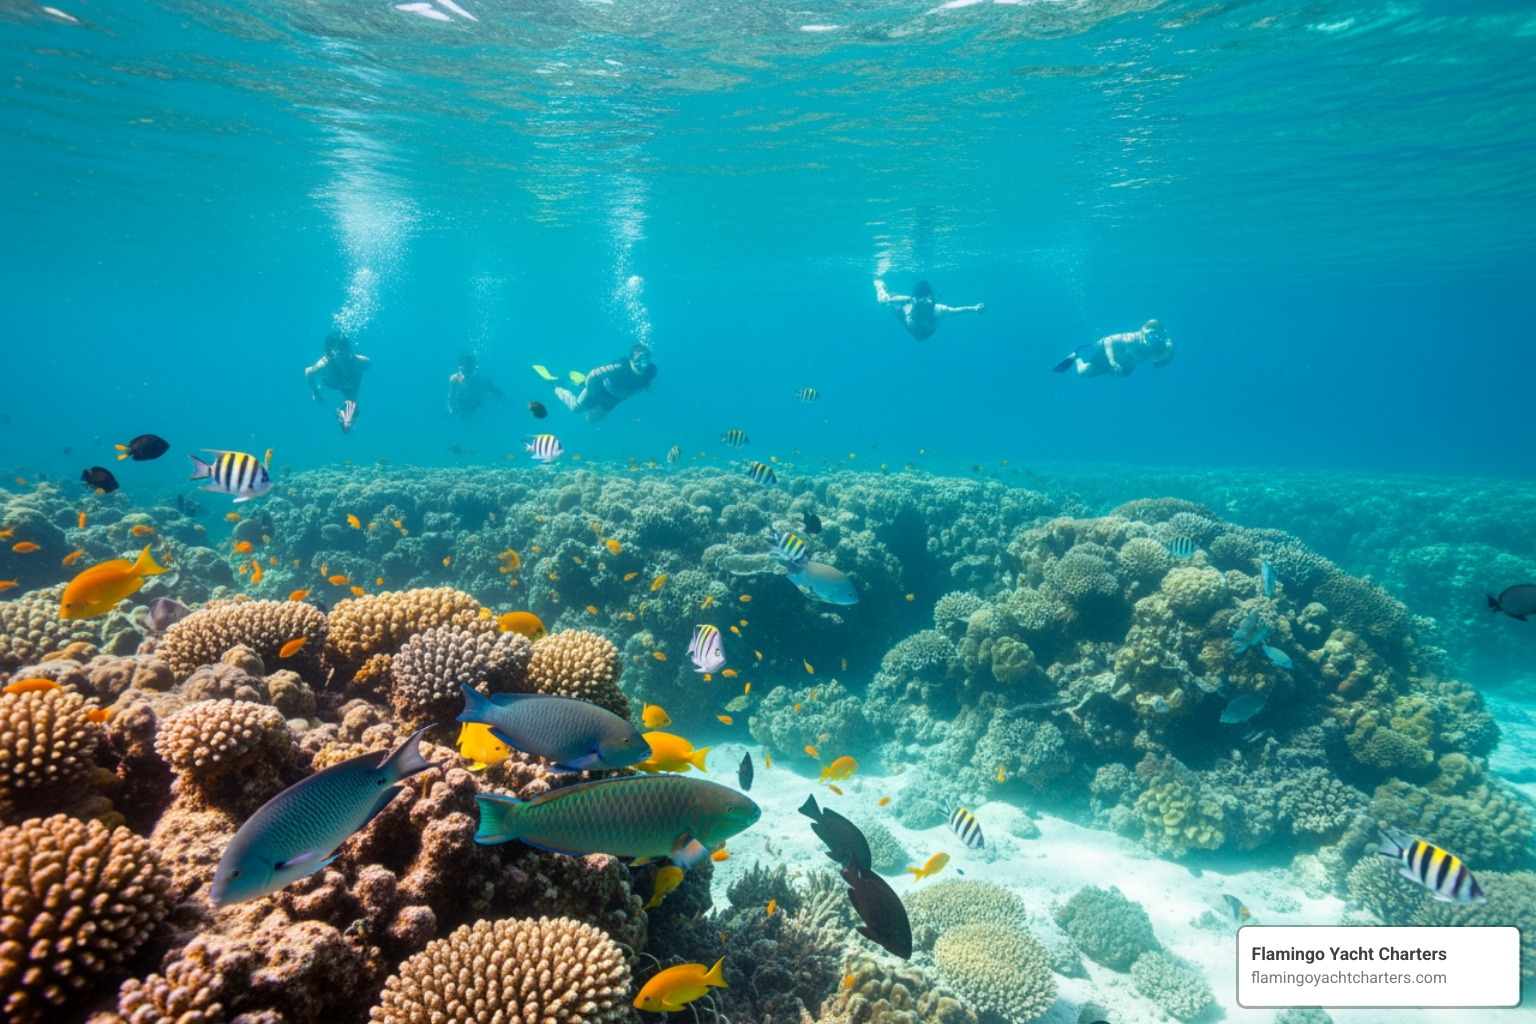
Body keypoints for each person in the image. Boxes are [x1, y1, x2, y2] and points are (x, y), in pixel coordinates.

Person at [552, 344, 658, 423]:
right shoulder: (620, 366)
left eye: (645, 361)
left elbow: (646, 381)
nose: (642, 366)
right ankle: (556, 386)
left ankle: (580, 387)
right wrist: (590, 391)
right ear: (630, 359)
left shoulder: (651, 371)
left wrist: (648, 384)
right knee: (576, 408)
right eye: (638, 361)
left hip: (614, 400)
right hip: (599, 390)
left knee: (591, 420)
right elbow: (594, 373)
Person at [1051, 320, 1174, 377]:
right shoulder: (1131, 338)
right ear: (1142, 332)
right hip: (1105, 354)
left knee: (1085, 374)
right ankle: (1077, 355)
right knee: (1083, 372)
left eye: (1155, 336)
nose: (1151, 338)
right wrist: (1112, 361)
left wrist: (1162, 361)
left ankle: (1080, 356)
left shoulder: (1158, 347)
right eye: (1148, 334)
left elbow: (1169, 349)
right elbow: (1109, 340)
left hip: (1123, 364)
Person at [874, 279, 984, 340]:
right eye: (919, 300)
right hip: (907, 316)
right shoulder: (908, 309)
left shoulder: (938, 310)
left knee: (887, 301)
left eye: (927, 301)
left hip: (914, 323)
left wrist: (974, 309)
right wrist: (974, 309)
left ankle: (883, 289)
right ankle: (880, 285)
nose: (923, 304)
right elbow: (956, 311)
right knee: (884, 301)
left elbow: (956, 311)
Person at [305, 331, 371, 407]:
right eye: (339, 355)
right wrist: (315, 391)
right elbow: (308, 372)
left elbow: (367, 366)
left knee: (350, 413)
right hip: (330, 385)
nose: (343, 360)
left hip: (351, 386)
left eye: (345, 354)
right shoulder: (324, 365)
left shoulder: (361, 362)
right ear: (330, 355)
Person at [446, 353, 506, 420]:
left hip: (477, 407)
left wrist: (505, 400)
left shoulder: (481, 379)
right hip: (461, 407)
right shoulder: (454, 379)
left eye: (469, 370)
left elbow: (496, 390)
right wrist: (451, 409)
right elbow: (451, 397)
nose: (466, 374)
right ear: (460, 369)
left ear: (473, 369)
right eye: (465, 370)